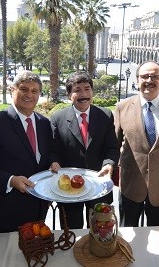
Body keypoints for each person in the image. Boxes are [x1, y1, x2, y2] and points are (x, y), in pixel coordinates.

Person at [0, 71, 58, 233]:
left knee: (34, 256)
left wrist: (53, 161)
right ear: (13, 90)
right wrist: (11, 180)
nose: (29, 95)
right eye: (24, 89)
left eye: (35, 91)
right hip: (5, 213)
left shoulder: (44, 123)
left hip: (37, 211)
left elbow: (50, 152)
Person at [114, 61, 159, 227]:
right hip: (131, 186)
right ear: (137, 80)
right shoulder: (122, 107)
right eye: (144, 76)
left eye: (154, 76)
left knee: (158, 237)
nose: (149, 80)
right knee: (127, 235)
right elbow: (114, 145)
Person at [50, 71, 119, 229]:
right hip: (68, 188)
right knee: (72, 231)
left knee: (99, 230)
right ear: (69, 95)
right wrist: (54, 162)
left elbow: (112, 147)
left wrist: (109, 165)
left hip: (98, 185)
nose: (83, 94)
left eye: (87, 89)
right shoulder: (57, 118)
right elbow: (54, 149)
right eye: (77, 90)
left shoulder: (105, 115)